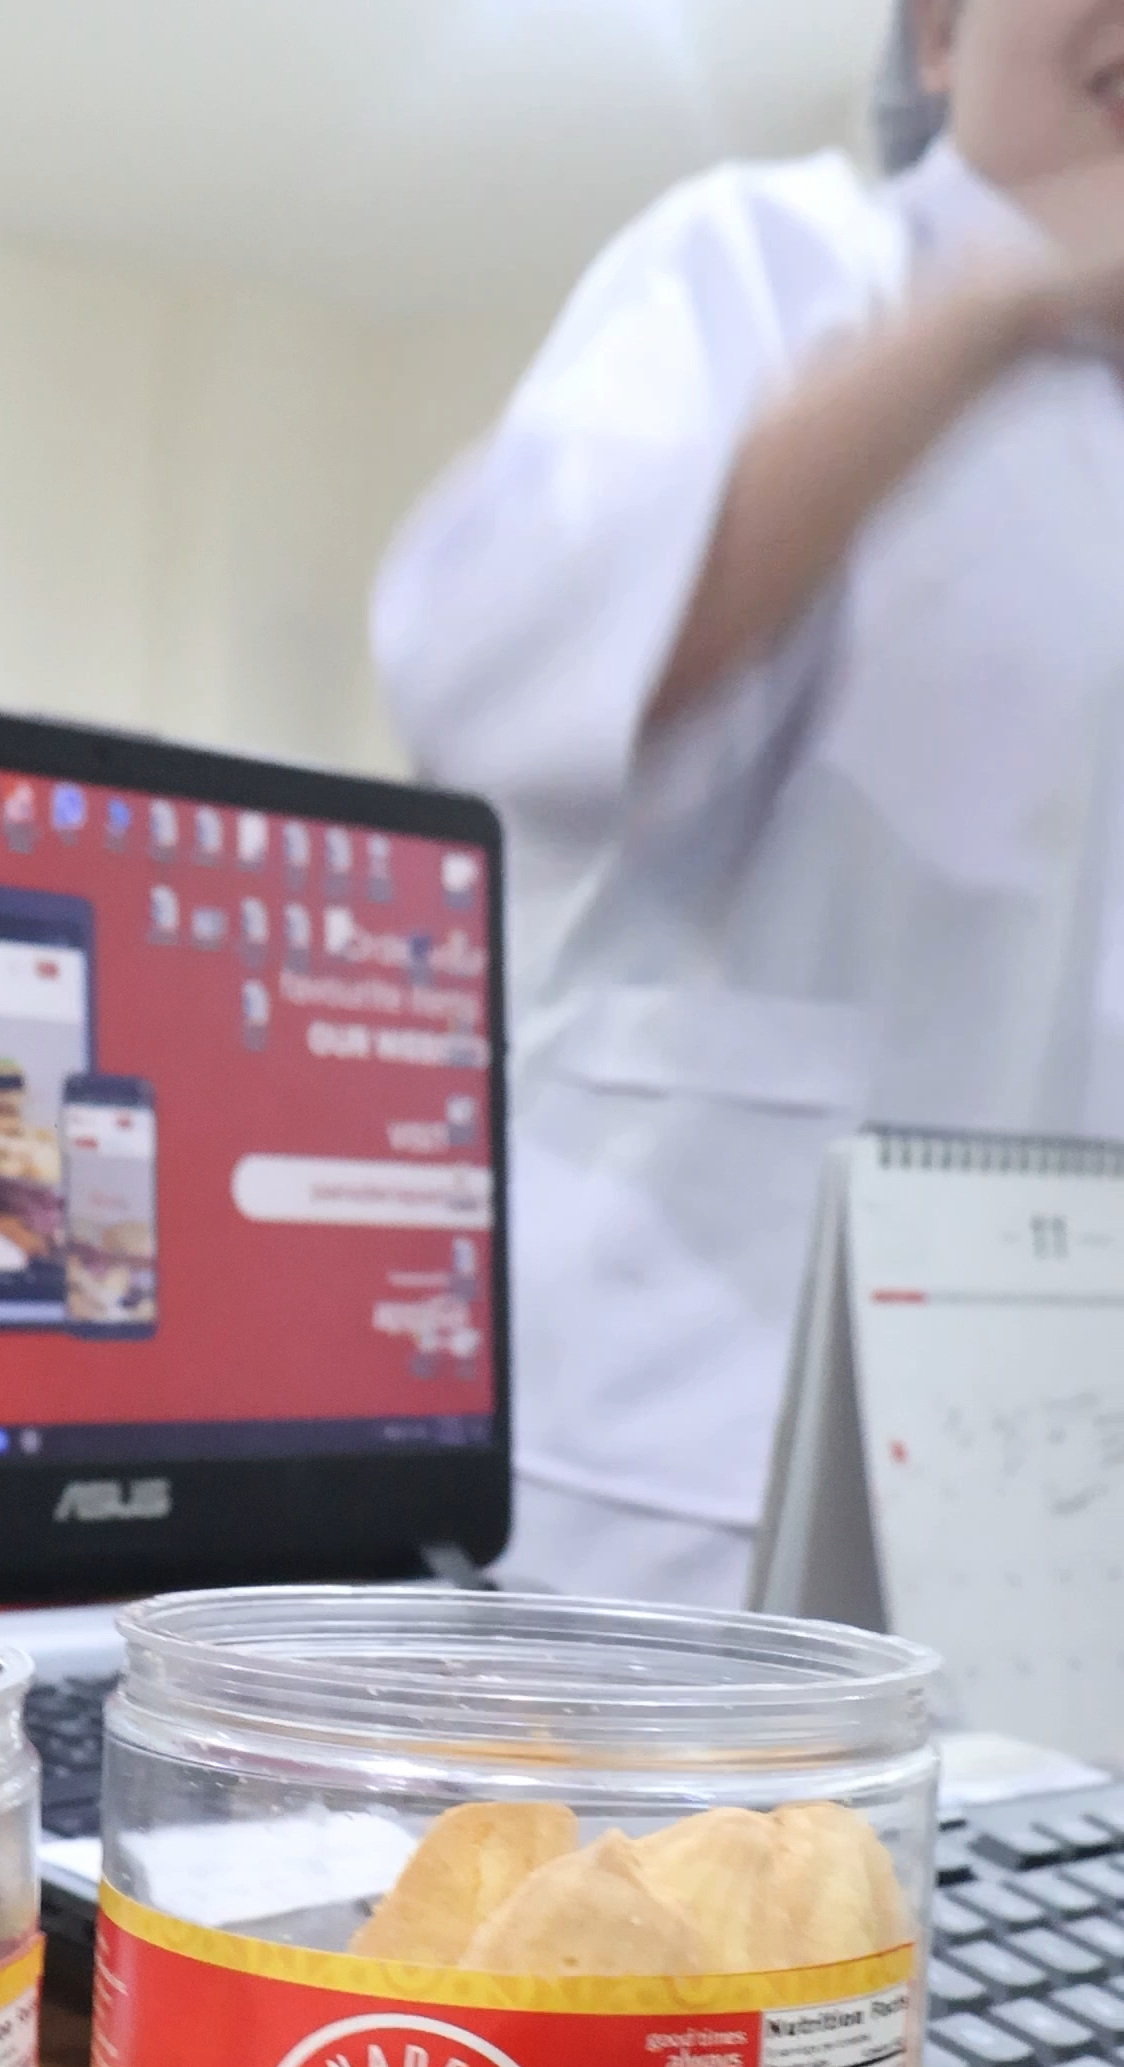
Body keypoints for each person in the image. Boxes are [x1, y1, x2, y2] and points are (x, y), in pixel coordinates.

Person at [372, 0, 1124, 1609]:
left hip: (1060, 1509)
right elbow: (493, 667)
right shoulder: (775, 261)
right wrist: (1000, 312)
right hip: (679, 1477)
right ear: (940, 39)